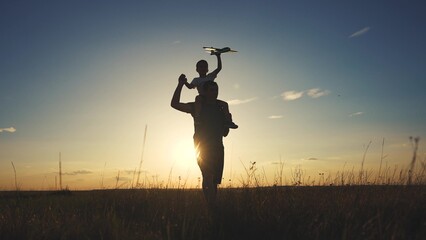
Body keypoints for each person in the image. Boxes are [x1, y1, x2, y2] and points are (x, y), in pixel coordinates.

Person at [171, 75, 230, 208]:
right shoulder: (197, 106)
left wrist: (227, 122)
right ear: (205, 91)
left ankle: (213, 206)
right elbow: (174, 104)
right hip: (201, 147)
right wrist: (180, 84)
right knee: (207, 175)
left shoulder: (221, 108)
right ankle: (212, 206)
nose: (214, 93)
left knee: (214, 180)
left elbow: (225, 133)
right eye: (211, 90)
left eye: (216, 90)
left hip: (218, 147)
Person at [184, 53, 238, 129]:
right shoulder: (196, 80)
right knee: (198, 98)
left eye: (204, 67)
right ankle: (198, 118)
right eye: (201, 67)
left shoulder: (210, 76)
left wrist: (218, 56)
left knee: (225, 104)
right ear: (197, 69)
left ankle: (228, 121)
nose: (203, 68)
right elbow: (190, 86)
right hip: (203, 98)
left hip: (212, 98)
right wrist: (184, 82)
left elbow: (219, 68)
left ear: (207, 69)